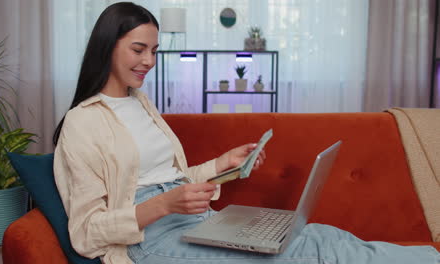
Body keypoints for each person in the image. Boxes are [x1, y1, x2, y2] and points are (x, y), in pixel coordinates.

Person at [53, 2, 439, 264]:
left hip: (195, 221)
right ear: (107, 47)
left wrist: (224, 164)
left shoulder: (141, 103)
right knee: (311, 252)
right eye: (139, 49)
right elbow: (86, 234)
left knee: (318, 235)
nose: (149, 62)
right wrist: (164, 205)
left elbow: (174, 181)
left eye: (154, 50)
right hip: (149, 241)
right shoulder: (82, 123)